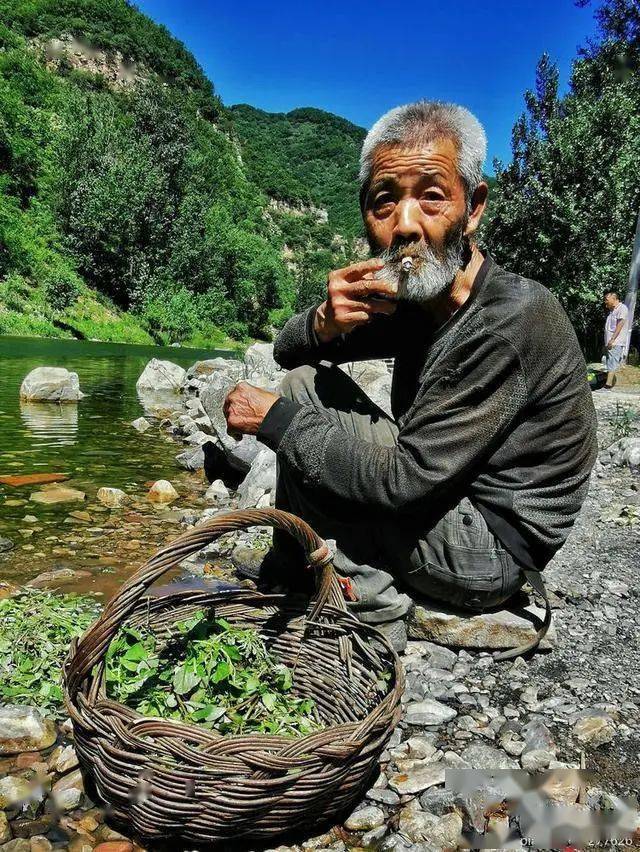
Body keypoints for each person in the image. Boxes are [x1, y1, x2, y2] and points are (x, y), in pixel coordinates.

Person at [223, 100, 598, 654]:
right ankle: (295, 565)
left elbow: (405, 479)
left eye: (431, 196)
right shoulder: (419, 299)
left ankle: (368, 614)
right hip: (446, 505)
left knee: (298, 405)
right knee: (308, 381)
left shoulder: (506, 322)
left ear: (473, 208)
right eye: (384, 201)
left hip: (488, 550)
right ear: (365, 214)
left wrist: (275, 421)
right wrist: (324, 322)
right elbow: (287, 350)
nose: (404, 224)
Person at [603, 289, 629, 388]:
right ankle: (608, 383)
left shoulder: (622, 308)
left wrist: (613, 339)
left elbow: (620, 324)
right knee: (609, 362)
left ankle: (608, 385)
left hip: (615, 342)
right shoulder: (612, 311)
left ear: (614, 298)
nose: (605, 301)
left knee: (612, 362)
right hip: (610, 342)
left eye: (606, 299)